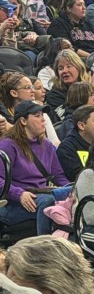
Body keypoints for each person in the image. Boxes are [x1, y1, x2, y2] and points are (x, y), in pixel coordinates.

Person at [0, 101, 70, 235]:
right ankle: (44, 247)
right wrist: (19, 194)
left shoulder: (47, 145)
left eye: (42, 115)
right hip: (10, 204)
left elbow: (59, 176)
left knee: (72, 198)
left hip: (40, 196)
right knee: (49, 201)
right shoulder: (7, 145)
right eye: (37, 116)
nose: (43, 119)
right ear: (23, 121)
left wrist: (72, 191)